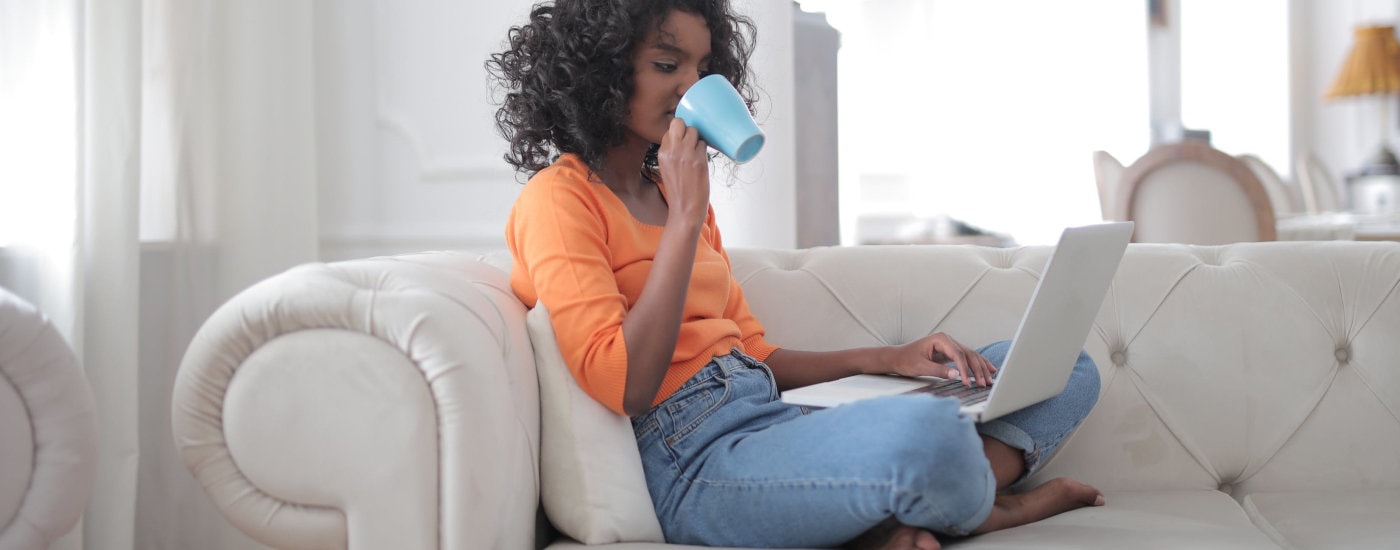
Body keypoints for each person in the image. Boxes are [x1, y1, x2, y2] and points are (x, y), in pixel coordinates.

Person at [487, 1, 1105, 548]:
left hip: (770, 417)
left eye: (702, 69)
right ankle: (992, 509)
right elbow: (626, 387)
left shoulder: (673, 196)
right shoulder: (559, 201)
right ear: (601, 68)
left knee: (1060, 369)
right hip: (695, 464)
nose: (690, 87)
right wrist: (685, 220)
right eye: (667, 64)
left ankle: (897, 509)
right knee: (925, 432)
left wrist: (889, 358)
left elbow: (753, 352)